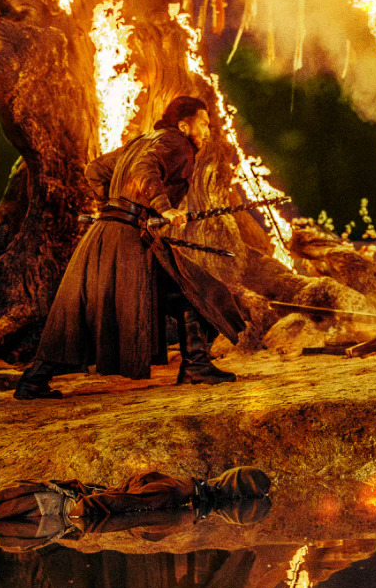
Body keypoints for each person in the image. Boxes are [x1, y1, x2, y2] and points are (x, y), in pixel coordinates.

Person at [15, 95, 245, 397]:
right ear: (183, 124)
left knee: (83, 307)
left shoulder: (143, 141)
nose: (207, 131)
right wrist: (164, 208)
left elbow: (95, 170)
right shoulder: (177, 143)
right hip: (126, 241)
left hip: (108, 233)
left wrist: (117, 205)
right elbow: (143, 171)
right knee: (200, 290)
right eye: (203, 124)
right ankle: (196, 366)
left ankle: (34, 379)